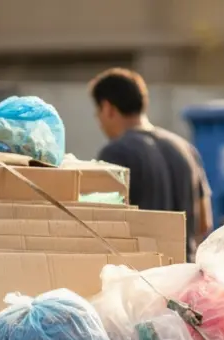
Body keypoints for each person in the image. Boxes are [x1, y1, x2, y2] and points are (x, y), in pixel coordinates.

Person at [89, 68, 212, 258]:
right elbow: (204, 223)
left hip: (141, 275)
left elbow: (102, 223)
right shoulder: (185, 148)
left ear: (107, 108)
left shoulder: (116, 152)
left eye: (97, 113)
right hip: (184, 274)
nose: (99, 121)